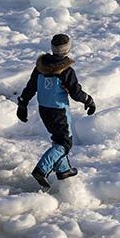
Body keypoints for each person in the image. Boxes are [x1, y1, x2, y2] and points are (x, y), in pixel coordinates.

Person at [17, 34, 96, 190]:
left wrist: (22, 104)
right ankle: (41, 170)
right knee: (65, 143)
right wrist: (89, 100)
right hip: (58, 111)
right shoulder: (66, 70)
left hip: (44, 110)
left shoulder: (40, 67)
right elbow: (75, 93)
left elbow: (30, 88)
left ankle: (63, 169)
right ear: (67, 49)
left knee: (58, 139)